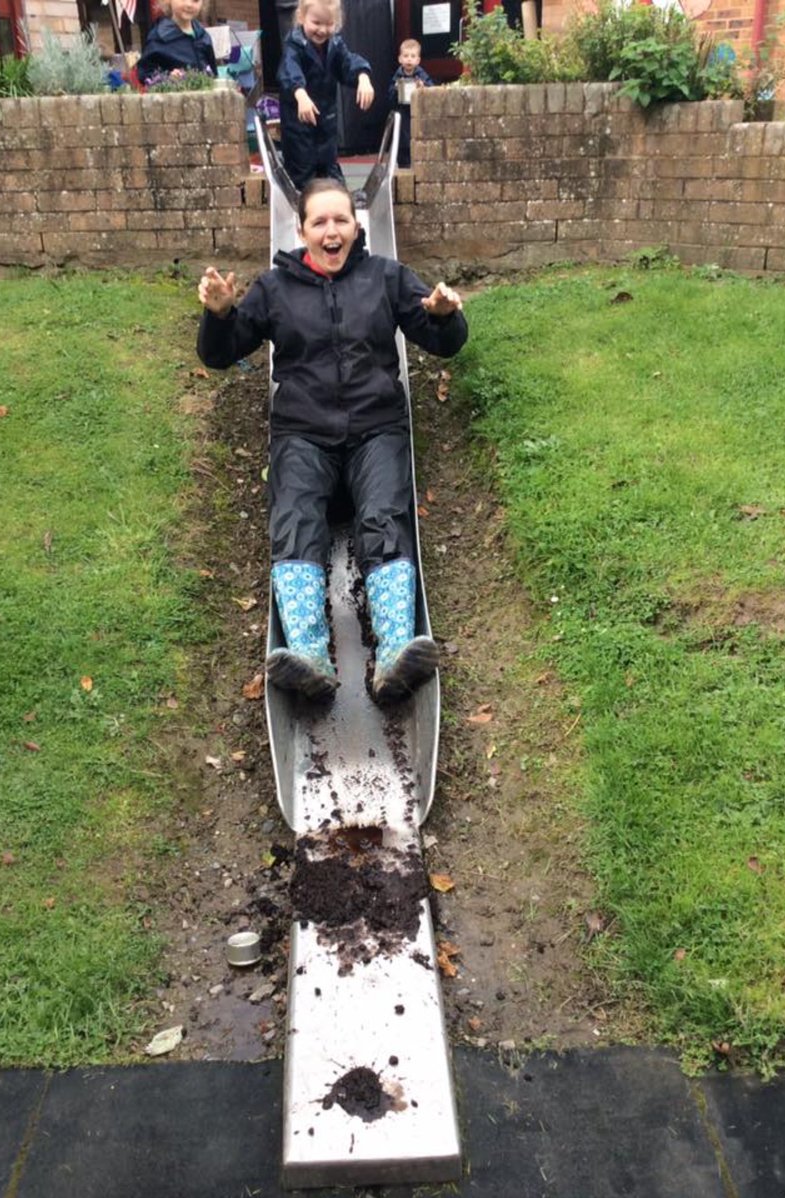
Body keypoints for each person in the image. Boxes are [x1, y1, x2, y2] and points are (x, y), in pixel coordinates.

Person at [196, 179, 467, 704]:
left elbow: (442, 343)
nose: (331, 230)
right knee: (296, 515)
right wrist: (221, 314)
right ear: (301, 231)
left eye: (340, 220)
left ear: (356, 226)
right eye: (319, 222)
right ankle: (308, 654)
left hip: (376, 430)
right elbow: (220, 354)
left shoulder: (386, 279)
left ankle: (394, 652)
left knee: (384, 516)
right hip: (304, 434)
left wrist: (444, 317)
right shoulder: (275, 289)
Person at [276, 0, 375, 191]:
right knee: (302, 174)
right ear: (301, 18)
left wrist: (363, 76)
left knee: (331, 171)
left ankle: (339, 208)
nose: (322, 30)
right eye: (316, 23)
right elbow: (289, 70)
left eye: (329, 24)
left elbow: (348, 63)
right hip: (299, 127)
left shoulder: (335, 45)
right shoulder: (294, 44)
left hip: (326, 124)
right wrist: (300, 93)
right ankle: (305, 213)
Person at [136, 0, 217, 86]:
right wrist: (167, 78)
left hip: (205, 96)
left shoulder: (203, 36)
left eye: (195, 0)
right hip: (173, 97)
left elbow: (213, 73)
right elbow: (145, 74)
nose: (189, 4)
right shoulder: (159, 38)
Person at [387, 38, 434, 169]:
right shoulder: (397, 76)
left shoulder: (421, 75)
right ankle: (403, 165)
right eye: (406, 56)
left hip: (417, 115)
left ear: (418, 60)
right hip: (402, 116)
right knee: (403, 146)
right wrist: (396, 89)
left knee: (418, 143)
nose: (409, 59)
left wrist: (423, 87)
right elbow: (389, 99)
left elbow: (432, 91)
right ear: (400, 59)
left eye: (412, 56)